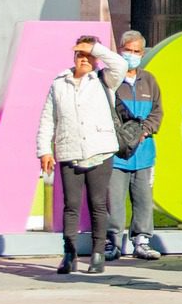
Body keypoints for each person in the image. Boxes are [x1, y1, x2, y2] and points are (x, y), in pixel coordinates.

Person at [36, 35, 125, 276]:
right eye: (80, 55)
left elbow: (120, 65)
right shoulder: (59, 83)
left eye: (89, 56)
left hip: (99, 149)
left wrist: (95, 48)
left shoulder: (104, 79)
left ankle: (97, 253)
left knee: (97, 203)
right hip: (69, 150)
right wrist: (44, 149)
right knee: (71, 205)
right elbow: (48, 118)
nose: (84, 59)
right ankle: (70, 252)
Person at [99, 30, 163, 263]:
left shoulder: (149, 80)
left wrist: (145, 130)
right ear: (120, 51)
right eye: (128, 51)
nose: (132, 56)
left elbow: (157, 112)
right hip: (116, 154)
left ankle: (142, 241)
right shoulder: (108, 80)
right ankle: (112, 242)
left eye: (137, 52)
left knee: (143, 198)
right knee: (113, 199)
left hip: (144, 152)